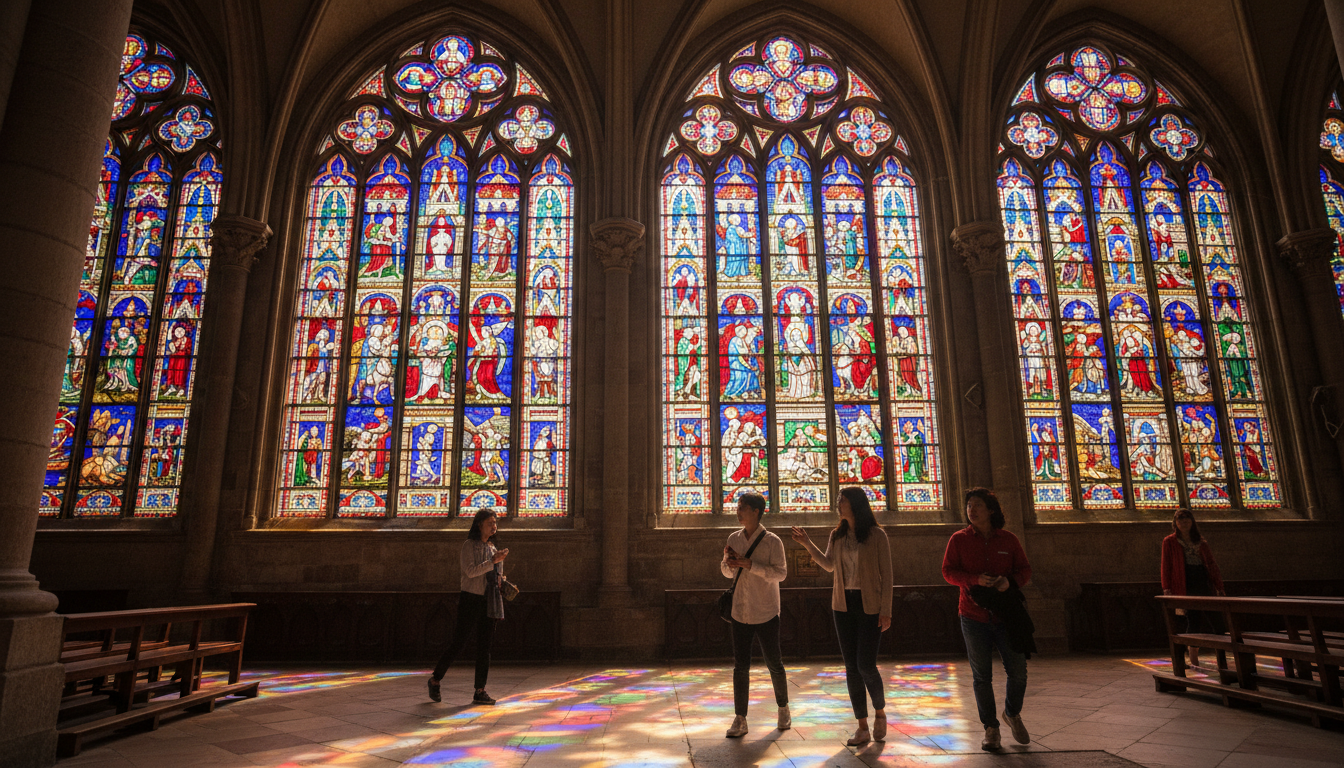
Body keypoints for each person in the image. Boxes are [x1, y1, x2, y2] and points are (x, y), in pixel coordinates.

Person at [791, 487, 893, 747]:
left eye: (843, 500)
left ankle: (879, 712)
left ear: (856, 504)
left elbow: (887, 576)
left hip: (869, 604)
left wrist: (886, 610)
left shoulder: (877, 535)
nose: (839, 504)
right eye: (838, 500)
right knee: (851, 668)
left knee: (866, 665)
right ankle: (861, 726)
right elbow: (828, 565)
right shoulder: (836, 535)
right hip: (843, 605)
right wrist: (806, 543)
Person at [942, 488, 1032, 751]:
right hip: (973, 615)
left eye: (978, 505)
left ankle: (1012, 713)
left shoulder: (1009, 540)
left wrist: (1010, 582)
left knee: (1018, 672)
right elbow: (948, 571)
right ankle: (991, 728)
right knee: (981, 676)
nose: (972, 510)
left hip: (1007, 616)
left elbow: (1024, 569)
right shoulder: (958, 539)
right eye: (969, 505)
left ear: (991, 509)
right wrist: (974, 580)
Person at [720, 492, 790, 738]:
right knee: (741, 666)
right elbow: (728, 573)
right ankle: (740, 718)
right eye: (737, 507)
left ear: (756, 511)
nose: (738, 511)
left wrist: (753, 566)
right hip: (740, 610)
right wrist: (728, 564)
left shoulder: (772, 541)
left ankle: (783, 708)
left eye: (743, 507)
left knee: (774, 663)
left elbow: (781, 574)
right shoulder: (733, 538)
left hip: (766, 610)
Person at [427, 509, 510, 705]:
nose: (494, 526)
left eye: (495, 523)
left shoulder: (492, 548)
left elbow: (496, 575)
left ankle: (480, 691)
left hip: (488, 600)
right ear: (479, 524)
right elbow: (471, 572)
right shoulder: (468, 546)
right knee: (459, 643)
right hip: (470, 599)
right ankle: (435, 679)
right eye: (490, 522)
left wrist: (502, 581)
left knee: (485, 647)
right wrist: (492, 562)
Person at [1160, 509, 1225, 668]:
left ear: (1192, 523)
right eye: (1180, 521)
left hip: (1203, 582)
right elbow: (1166, 565)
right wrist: (1166, 587)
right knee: (1194, 620)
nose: (1184, 523)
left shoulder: (1201, 542)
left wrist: (1219, 586)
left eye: (1187, 520)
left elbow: (1211, 564)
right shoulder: (1169, 541)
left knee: (1218, 622)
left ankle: (1222, 657)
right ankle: (1193, 657)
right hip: (1185, 582)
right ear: (1175, 523)